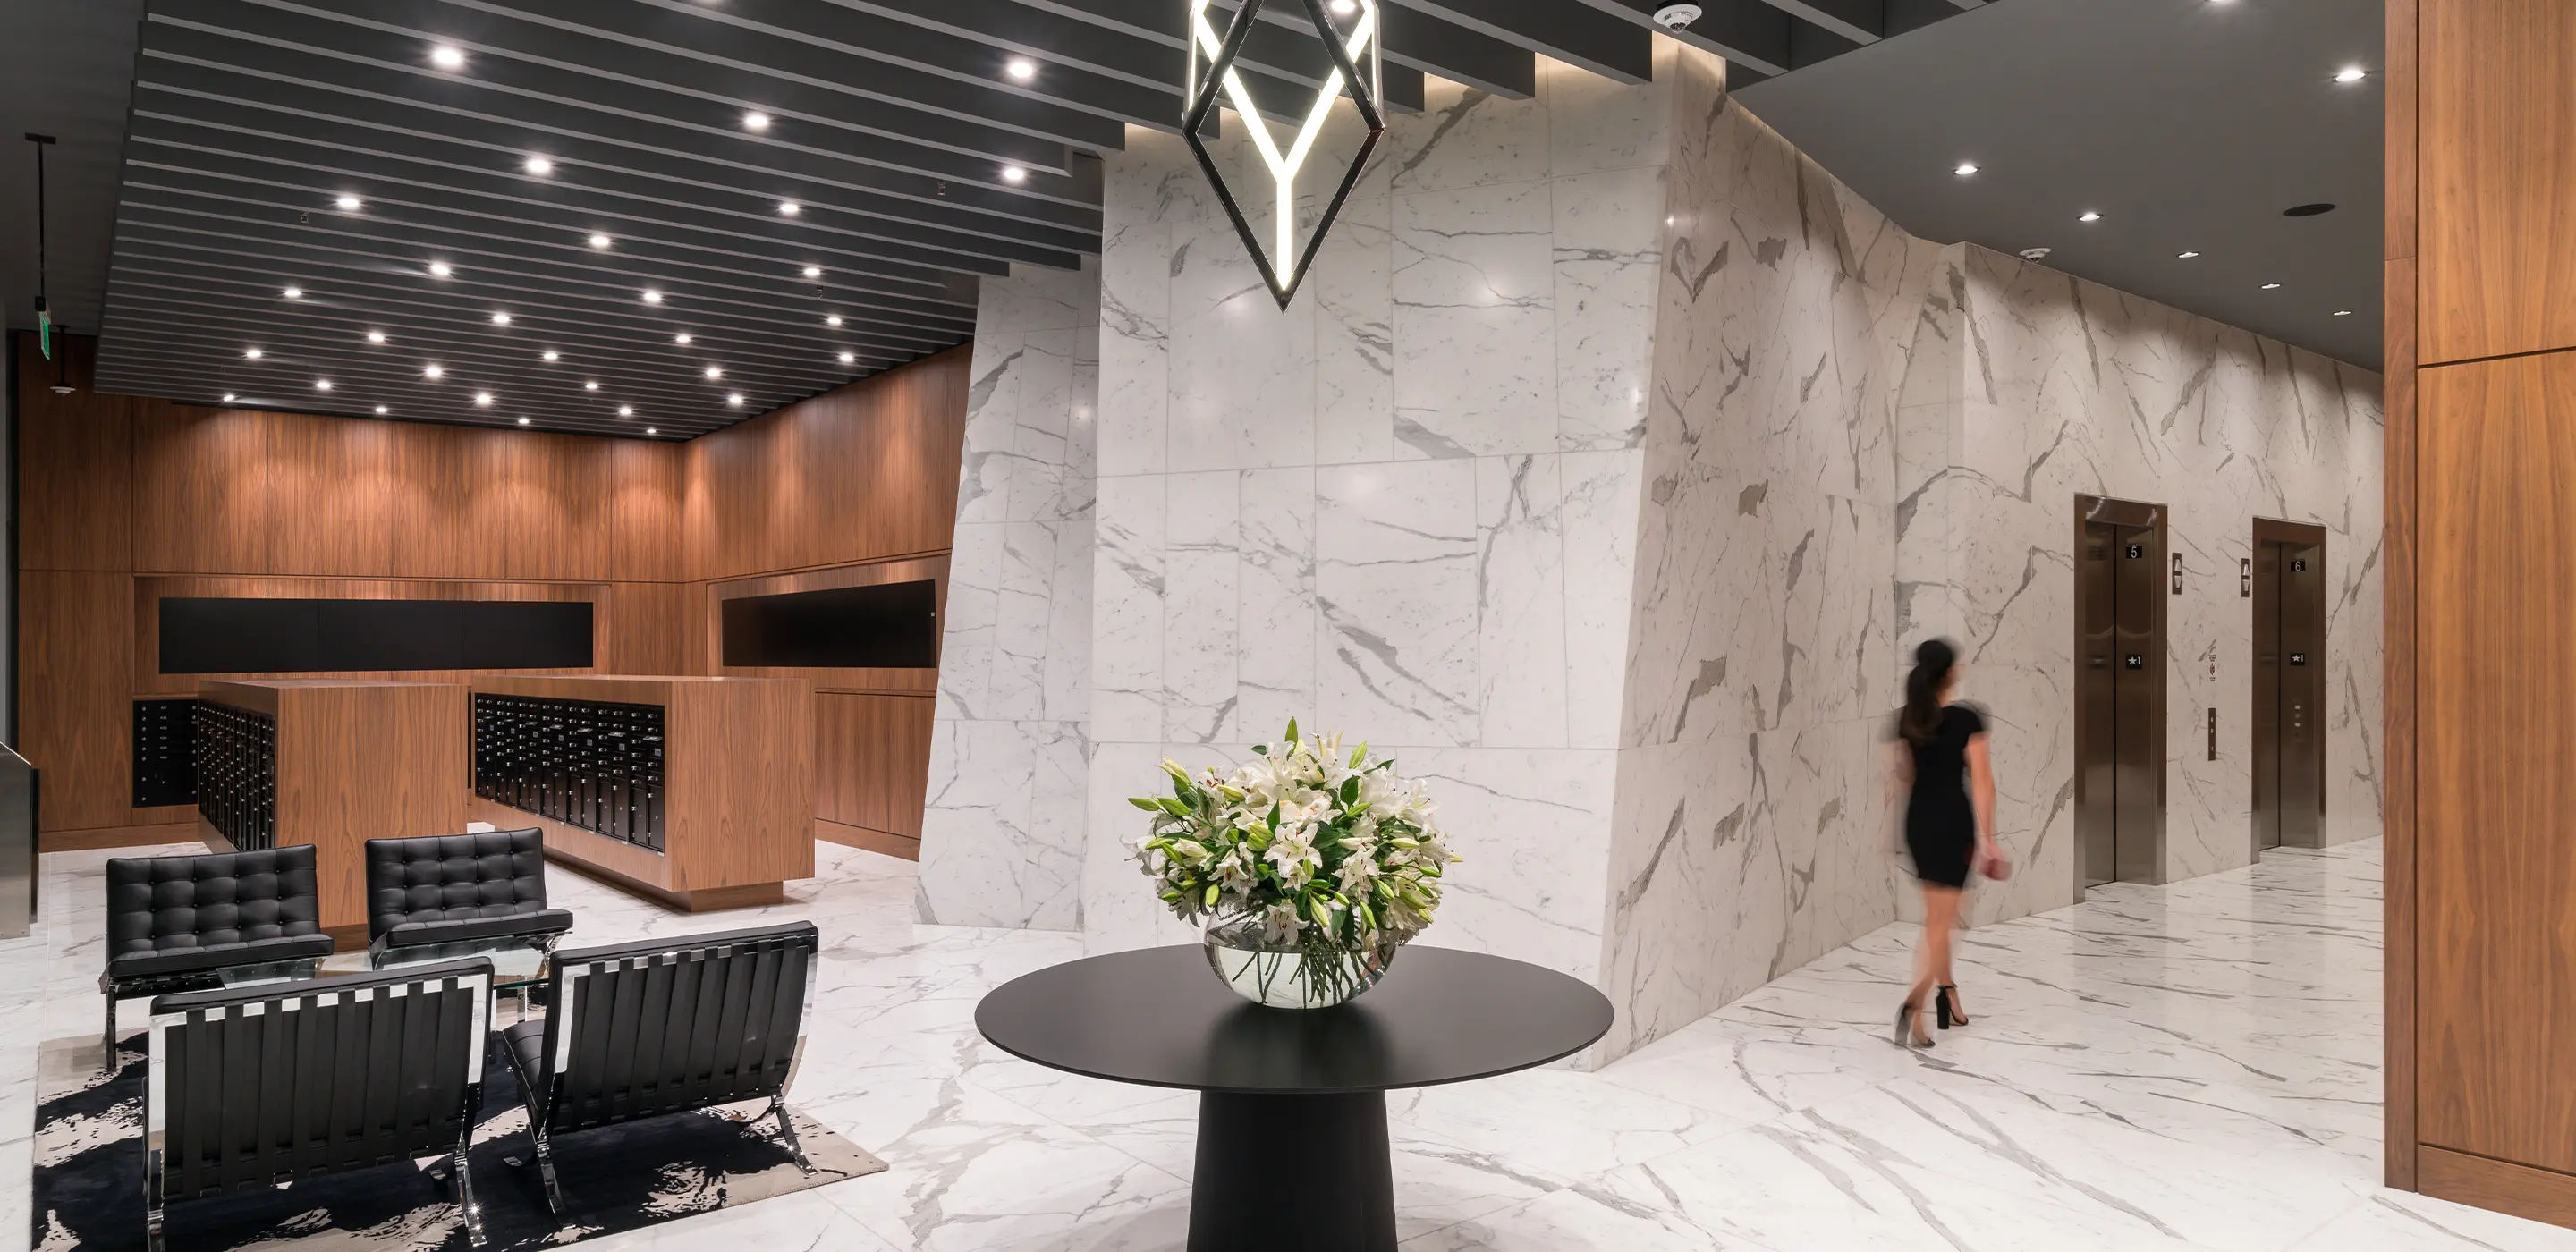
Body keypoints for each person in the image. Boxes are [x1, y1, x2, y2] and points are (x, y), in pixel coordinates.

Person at [1886, 638, 2004, 1049]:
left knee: (1937, 919)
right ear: (1950, 673)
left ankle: (1948, 995)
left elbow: (1902, 777)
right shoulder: (1967, 718)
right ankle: (1915, 1004)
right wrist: (1989, 840)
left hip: (1918, 823)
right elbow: (1984, 782)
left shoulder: (1907, 719)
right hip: (1953, 824)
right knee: (1944, 924)